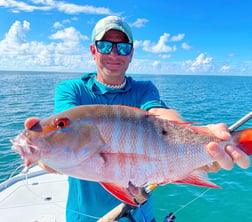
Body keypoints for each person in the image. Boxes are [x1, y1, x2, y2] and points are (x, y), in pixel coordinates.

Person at [28, 16, 250, 221]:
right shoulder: (72, 90)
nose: (114, 54)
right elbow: (67, 129)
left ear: (131, 53)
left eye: (123, 48)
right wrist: (42, 149)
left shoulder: (144, 89)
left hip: (141, 213)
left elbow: (159, 114)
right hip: (86, 215)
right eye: (105, 45)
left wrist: (204, 140)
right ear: (93, 50)